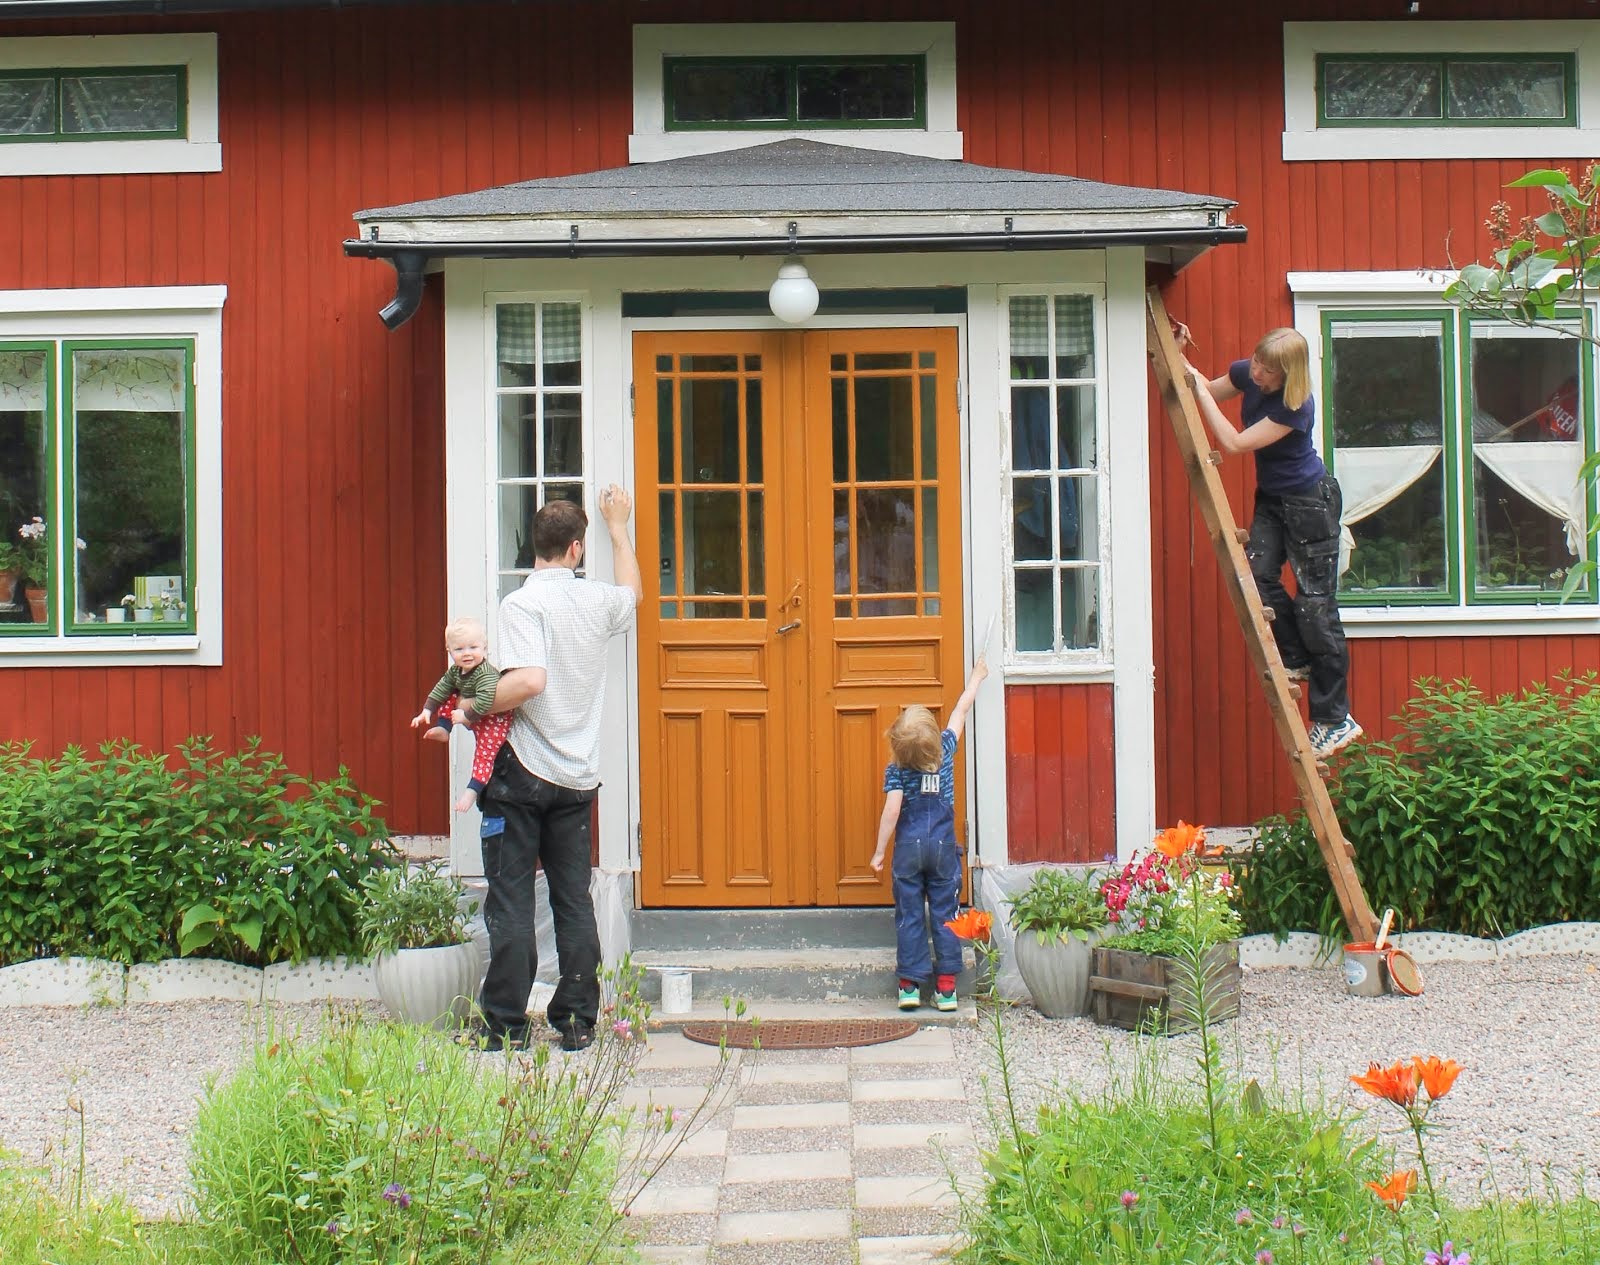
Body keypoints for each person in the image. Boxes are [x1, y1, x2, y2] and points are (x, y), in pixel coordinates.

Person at [472, 488, 642, 1052]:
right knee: (573, 899)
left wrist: (473, 705)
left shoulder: (521, 606)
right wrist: (618, 526)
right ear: (575, 549)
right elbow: (632, 594)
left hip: (521, 771)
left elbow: (529, 681)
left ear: (535, 547)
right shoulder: (597, 602)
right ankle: (575, 1023)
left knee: (513, 898)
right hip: (575, 776)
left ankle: (505, 1026)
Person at [1177, 323, 1362, 759]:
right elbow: (1206, 388)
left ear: (1288, 376)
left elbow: (1236, 442)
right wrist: (1181, 356)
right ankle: (1295, 656)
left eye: (1266, 371)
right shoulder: (1248, 372)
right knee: (1257, 576)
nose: (1255, 373)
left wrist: (1200, 392)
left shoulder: (1297, 406)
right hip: (1274, 500)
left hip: (1309, 503)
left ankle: (1336, 718)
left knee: (1316, 605)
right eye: (1256, 362)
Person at [870, 657, 989, 1012]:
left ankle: (909, 986)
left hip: (908, 850)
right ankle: (947, 989)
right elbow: (960, 711)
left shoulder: (897, 771)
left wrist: (879, 852)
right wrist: (976, 678)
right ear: (934, 739)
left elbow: (892, 811)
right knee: (945, 913)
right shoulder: (946, 752)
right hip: (941, 850)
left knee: (909, 914)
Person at [410, 616, 511, 814]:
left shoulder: (485, 674)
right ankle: (443, 727)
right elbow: (441, 687)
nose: (467, 654)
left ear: (484, 648)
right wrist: (426, 710)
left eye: (473, 647)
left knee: (484, 753)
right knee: (451, 691)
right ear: (449, 651)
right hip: (472, 714)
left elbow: (487, 700)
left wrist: (465, 717)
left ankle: (473, 790)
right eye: (459, 649)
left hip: (494, 720)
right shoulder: (456, 671)